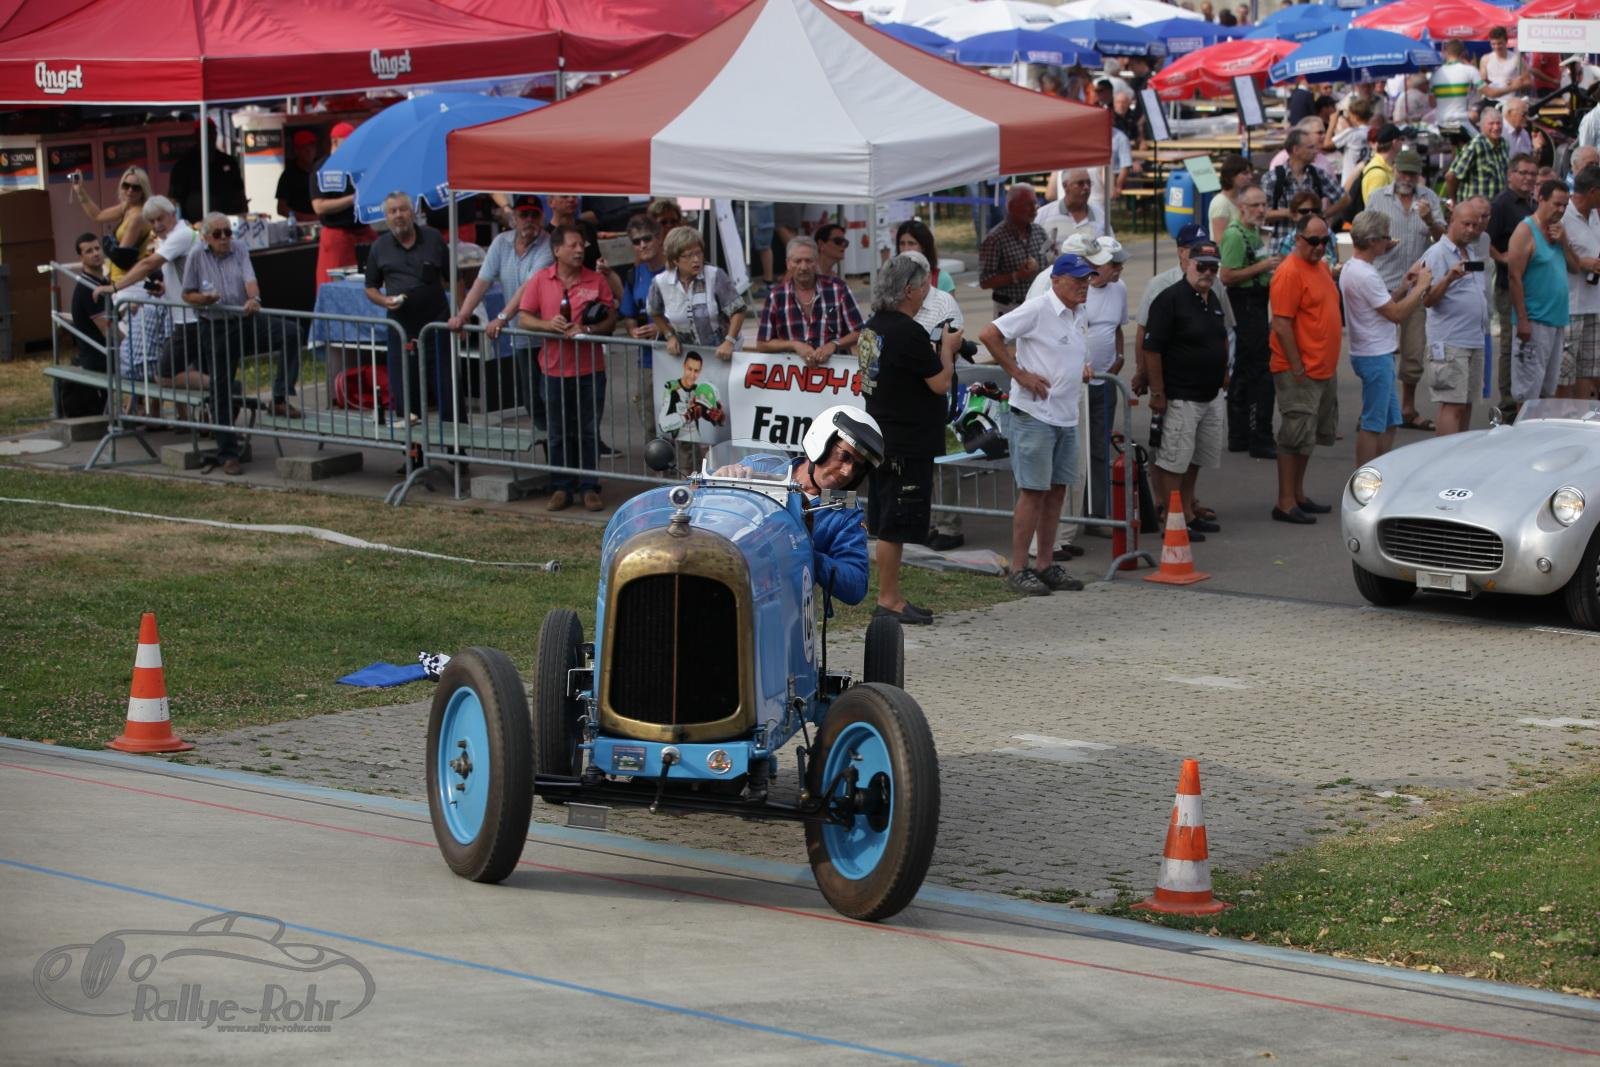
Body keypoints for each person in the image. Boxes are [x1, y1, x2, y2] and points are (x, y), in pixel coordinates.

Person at [978, 253, 1098, 595]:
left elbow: (1067, 350)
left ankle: (1045, 563)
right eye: (1077, 280)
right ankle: (1019, 568)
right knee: (1033, 491)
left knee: (1057, 490)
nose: (1084, 286)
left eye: (1087, 280)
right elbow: (989, 334)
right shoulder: (1038, 307)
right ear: (1056, 281)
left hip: (1065, 415)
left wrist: (1080, 367)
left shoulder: (1078, 311)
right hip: (1035, 415)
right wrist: (1019, 374)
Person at [857, 254, 960, 623]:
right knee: (894, 524)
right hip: (905, 441)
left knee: (890, 522)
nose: (925, 294)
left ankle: (893, 596)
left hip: (881, 436)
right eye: (922, 288)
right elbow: (940, 382)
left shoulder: (872, 327)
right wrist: (947, 348)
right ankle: (888, 599)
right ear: (907, 290)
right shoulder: (908, 332)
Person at [712, 406, 883, 607]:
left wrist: (806, 553)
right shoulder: (759, 467)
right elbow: (701, 507)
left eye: (857, 466)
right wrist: (719, 482)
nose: (848, 472)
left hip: (781, 604)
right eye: (844, 456)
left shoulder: (846, 512)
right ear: (822, 441)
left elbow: (856, 585)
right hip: (724, 577)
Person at [182, 212, 303, 474]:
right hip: (216, 325)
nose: (224, 238)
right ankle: (228, 453)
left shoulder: (239, 248)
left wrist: (253, 299)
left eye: (228, 232)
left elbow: (250, 280)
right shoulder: (196, 255)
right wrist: (204, 299)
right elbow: (187, 293)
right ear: (206, 237)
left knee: (291, 332)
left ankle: (280, 395)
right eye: (218, 234)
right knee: (222, 385)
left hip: (245, 318)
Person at [517, 225, 617, 512]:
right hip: (553, 370)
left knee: (588, 430)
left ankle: (589, 486)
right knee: (558, 431)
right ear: (556, 250)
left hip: (590, 370)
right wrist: (547, 325)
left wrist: (588, 329)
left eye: (581, 245)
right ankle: (561, 486)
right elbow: (524, 318)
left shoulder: (596, 280)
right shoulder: (541, 279)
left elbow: (611, 319)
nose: (579, 250)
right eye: (573, 245)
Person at [1142, 241, 1229, 539]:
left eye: (1213, 267)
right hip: (1181, 395)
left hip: (1210, 394)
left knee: (1195, 457)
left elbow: (1221, 336)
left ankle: (1188, 512)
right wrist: (1157, 392)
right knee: (1173, 460)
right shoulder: (1169, 299)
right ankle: (1173, 519)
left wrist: (1225, 371)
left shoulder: (1212, 297)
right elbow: (1151, 348)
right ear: (1187, 264)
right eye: (1201, 266)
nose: (1207, 272)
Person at [449, 193, 553, 429]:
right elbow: (482, 282)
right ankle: (549, 446)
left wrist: (502, 317)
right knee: (532, 399)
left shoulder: (547, 245)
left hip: (547, 334)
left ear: (542, 218)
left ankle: (561, 447)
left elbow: (529, 288)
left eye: (534, 215)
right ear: (514, 217)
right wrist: (463, 315)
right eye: (524, 215)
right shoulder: (501, 242)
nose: (529, 220)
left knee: (550, 397)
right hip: (523, 334)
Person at [1340, 211, 1433, 466]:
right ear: (1373, 241)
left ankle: (1378, 472)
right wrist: (1421, 287)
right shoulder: (1366, 274)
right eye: (1385, 237)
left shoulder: (1353, 267)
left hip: (1372, 352)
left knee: (1391, 420)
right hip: (1374, 355)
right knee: (1373, 423)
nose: (1388, 242)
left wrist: (1404, 287)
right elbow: (1396, 314)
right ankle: (1365, 478)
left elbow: (1383, 306)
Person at [1366, 149, 1448, 432]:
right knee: (1379, 351)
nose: (1407, 178)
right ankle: (1377, 408)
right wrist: (1381, 242)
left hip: (1415, 287)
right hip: (1383, 283)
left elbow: (1443, 240)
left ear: (1419, 175)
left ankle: (1407, 408)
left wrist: (1429, 220)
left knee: (1413, 351)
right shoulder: (1378, 197)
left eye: (1412, 174)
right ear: (1395, 171)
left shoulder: (1429, 198)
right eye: (1403, 172)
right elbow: (1363, 234)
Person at [1268, 212, 1342, 525]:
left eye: (1325, 240)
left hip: (1321, 368)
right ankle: (1285, 502)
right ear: (1298, 239)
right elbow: (1281, 324)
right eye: (1313, 241)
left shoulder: (1321, 267)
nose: (1320, 246)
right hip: (1299, 370)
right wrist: (1297, 367)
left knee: (1306, 437)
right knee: (1293, 435)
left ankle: (1298, 495)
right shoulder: (1289, 272)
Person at [364, 192, 456, 437]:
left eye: (403, 209)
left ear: (413, 211)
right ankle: (414, 453)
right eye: (393, 211)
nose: (399, 215)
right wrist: (384, 300)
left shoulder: (433, 238)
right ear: (386, 217)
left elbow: (454, 278)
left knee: (447, 390)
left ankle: (456, 449)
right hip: (401, 330)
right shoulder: (379, 246)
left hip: (437, 326)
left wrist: (459, 316)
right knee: (405, 393)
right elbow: (370, 287)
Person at [95, 195, 203, 386]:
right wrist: (164, 289)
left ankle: (225, 388)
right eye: (152, 221)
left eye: (160, 218)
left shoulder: (181, 235)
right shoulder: (172, 237)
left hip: (192, 319)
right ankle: (222, 391)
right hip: (187, 318)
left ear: (172, 214)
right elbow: (182, 275)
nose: (156, 225)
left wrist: (114, 287)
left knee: (164, 375)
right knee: (186, 370)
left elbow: (148, 264)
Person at [1419, 196, 1492, 436]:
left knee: (1466, 403)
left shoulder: (1470, 251)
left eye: (1475, 225)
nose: (1471, 229)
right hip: (1450, 341)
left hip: (1474, 338)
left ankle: (1460, 451)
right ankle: (1445, 454)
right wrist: (1449, 278)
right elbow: (1427, 300)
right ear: (1452, 221)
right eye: (1466, 224)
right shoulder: (1437, 253)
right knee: (1452, 405)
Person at [1219, 187, 1283, 459]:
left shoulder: (1254, 232)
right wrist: (1263, 267)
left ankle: (1240, 435)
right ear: (1242, 207)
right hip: (1244, 305)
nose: (1261, 210)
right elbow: (1226, 276)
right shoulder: (1235, 235)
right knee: (1260, 372)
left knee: (1246, 371)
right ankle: (1259, 437)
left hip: (1255, 304)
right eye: (1255, 205)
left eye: (1264, 204)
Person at [1506, 180, 1575, 404]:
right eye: (1557, 204)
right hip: (1534, 320)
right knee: (1528, 392)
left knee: (1547, 390)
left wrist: (1564, 242)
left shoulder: (1558, 231)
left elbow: (1575, 267)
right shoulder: (1525, 230)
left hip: (1557, 319)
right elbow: (1514, 277)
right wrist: (1522, 320)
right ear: (1541, 199)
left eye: (1565, 206)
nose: (1561, 210)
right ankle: (1523, 426)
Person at [1487, 154, 1540, 420]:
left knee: (1528, 342)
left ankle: (1525, 399)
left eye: (1532, 174)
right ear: (1510, 175)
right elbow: (1484, 238)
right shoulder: (1501, 204)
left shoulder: (1533, 203)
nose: (1528, 178)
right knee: (1510, 343)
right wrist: (1501, 257)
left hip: (1532, 284)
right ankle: (1508, 403)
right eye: (1523, 173)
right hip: (1508, 285)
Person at [755, 236, 862, 366]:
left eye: (808, 261)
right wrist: (794, 345)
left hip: (836, 371)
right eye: (797, 261)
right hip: (792, 372)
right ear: (788, 264)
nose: (803, 267)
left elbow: (860, 332)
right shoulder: (776, 296)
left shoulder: (838, 289)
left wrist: (834, 344)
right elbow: (762, 343)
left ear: (816, 262)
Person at [648, 226, 747, 363]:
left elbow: (738, 310)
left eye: (698, 253)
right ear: (675, 260)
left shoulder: (715, 275)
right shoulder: (660, 282)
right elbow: (653, 311)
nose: (696, 259)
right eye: (689, 255)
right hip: (686, 357)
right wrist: (669, 335)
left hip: (721, 354)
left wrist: (729, 341)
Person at [1082, 243, 1128, 528]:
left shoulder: (1119, 288)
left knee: (1100, 448)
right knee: (1076, 450)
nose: (1120, 269)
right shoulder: (1078, 289)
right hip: (1077, 384)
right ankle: (1071, 514)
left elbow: (1117, 328)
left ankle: (1097, 515)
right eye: (1115, 264)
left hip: (1106, 382)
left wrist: (1119, 358)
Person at [617, 214, 669, 439]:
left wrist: (662, 329)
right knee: (650, 424)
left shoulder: (676, 271)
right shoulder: (634, 274)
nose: (642, 245)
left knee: (685, 428)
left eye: (647, 239)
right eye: (636, 241)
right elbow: (628, 314)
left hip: (679, 357)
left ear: (659, 238)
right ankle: (658, 464)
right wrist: (633, 330)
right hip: (647, 360)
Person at [69, 165, 152, 283]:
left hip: (129, 281)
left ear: (143, 190)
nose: (130, 190)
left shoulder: (137, 217)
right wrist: (80, 191)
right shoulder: (126, 208)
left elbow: (120, 256)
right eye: (126, 185)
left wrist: (106, 245)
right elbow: (97, 215)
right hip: (120, 279)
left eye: (136, 188)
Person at [979, 184, 1051, 317]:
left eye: (1035, 204)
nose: (1034, 209)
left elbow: (1048, 263)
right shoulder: (995, 239)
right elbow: (985, 281)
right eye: (1028, 204)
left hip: (1038, 306)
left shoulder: (1039, 232)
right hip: (1009, 309)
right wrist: (1016, 276)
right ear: (1011, 206)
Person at [1264, 128, 1341, 248]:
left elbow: (1344, 199)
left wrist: (1323, 214)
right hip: (1282, 244)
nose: (1316, 151)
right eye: (1310, 147)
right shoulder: (1273, 178)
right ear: (1296, 150)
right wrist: (1289, 213)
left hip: (1313, 246)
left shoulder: (1318, 174)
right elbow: (1262, 213)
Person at [311, 122, 368, 285]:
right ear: (335, 141)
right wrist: (353, 199)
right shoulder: (323, 167)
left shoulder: (358, 165)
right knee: (335, 284)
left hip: (362, 233)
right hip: (337, 236)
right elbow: (319, 206)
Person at [62, 233, 110, 417]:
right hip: (98, 357)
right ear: (81, 257)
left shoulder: (102, 282)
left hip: (105, 353)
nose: (95, 253)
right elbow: (108, 330)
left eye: (97, 248)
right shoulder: (87, 288)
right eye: (89, 251)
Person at [1563, 166, 1600, 401]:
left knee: (1589, 369)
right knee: (1565, 373)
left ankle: (1582, 416)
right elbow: (1549, 256)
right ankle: (1561, 417)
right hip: (1570, 307)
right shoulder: (1563, 215)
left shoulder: (1595, 215)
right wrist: (1581, 262)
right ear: (1593, 191)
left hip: (1594, 305)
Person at [168, 119, 247, 222]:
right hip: (195, 224)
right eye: (205, 133)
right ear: (196, 136)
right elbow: (173, 199)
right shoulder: (183, 165)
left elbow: (239, 192)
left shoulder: (229, 161)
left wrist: (244, 214)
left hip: (228, 222)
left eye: (211, 132)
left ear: (215, 134)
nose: (209, 137)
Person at [658, 349, 725, 449]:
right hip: (681, 445)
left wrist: (719, 417)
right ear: (684, 366)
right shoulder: (672, 389)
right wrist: (686, 416)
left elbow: (712, 417)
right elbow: (662, 425)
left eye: (696, 371)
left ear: (700, 371)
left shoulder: (699, 390)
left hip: (697, 443)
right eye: (690, 369)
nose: (693, 375)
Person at [1444, 106, 1509, 204]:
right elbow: (1451, 176)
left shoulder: (1504, 144)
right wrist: (1454, 201)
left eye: (1498, 123)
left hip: (1498, 206)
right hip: (1475, 208)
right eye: (1491, 124)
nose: (1496, 127)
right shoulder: (1476, 145)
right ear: (1482, 126)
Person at [1037, 168, 1111, 252]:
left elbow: (1111, 249)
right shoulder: (1043, 215)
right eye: (1080, 183)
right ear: (1065, 186)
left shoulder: (1100, 215)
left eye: (1089, 183)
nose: (1086, 187)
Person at [1432, 39, 1482, 136]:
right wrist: (1511, 87)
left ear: (1445, 53)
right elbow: (1489, 93)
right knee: (1480, 142)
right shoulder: (1470, 70)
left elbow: (1432, 102)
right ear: (1463, 54)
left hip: (1442, 124)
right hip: (1461, 124)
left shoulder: (1435, 74)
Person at [896, 220, 954, 292]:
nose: (906, 249)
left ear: (923, 247)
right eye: (902, 243)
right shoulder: (891, 278)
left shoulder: (942, 279)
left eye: (911, 243)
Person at [275, 131, 318, 223]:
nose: (309, 151)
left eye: (311, 146)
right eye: (304, 147)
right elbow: (281, 208)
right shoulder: (288, 175)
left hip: (322, 225)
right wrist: (307, 218)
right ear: (296, 151)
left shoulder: (322, 171)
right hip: (299, 227)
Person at [1209, 154, 1253, 243]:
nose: (1250, 177)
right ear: (1231, 176)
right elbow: (1220, 242)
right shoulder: (1220, 203)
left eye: (1250, 173)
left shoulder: (1243, 198)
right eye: (1245, 173)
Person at [1479, 27, 1530, 101]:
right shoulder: (1485, 59)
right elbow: (1481, 83)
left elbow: (1528, 82)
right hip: (1490, 99)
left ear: (1506, 41)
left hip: (1509, 101)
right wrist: (1485, 82)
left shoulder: (1516, 59)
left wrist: (1517, 84)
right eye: (1493, 44)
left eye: (1500, 43)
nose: (1496, 47)